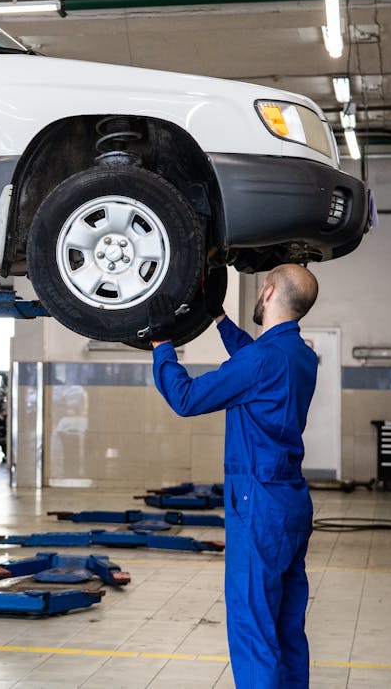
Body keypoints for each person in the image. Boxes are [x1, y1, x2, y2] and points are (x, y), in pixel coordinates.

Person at [148, 264, 320, 689]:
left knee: (253, 626)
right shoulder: (300, 354)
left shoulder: (263, 360)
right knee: (286, 626)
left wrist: (161, 345)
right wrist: (218, 319)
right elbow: (252, 360)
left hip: (258, 502)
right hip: (291, 501)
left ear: (268, 291)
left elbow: (187, 399)